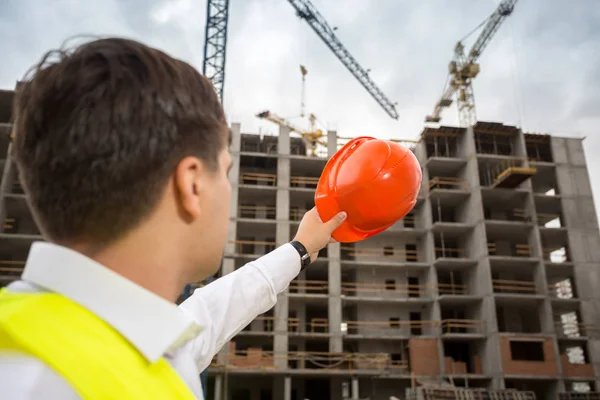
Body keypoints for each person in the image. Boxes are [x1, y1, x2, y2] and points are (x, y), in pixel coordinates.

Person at [0, 37, 347, 399]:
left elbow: (208, 315)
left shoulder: (117, 338)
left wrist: (300, 248)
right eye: (226, 172)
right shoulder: (45, 383)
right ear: (192, 184)